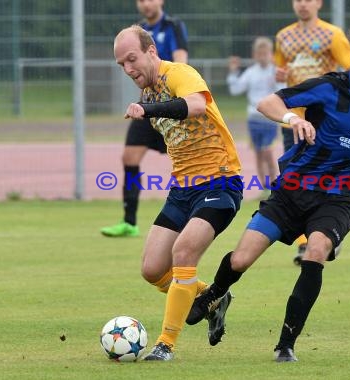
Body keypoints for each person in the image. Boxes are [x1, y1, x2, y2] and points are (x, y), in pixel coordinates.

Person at [186, 18, 350, 363]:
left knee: (316, 251)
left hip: (338, 197)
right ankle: (217, 296)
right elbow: (267, 102)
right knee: (241, 258)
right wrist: (293, 119)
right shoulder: (329, 88)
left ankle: (285, 344)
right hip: (293, 190)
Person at [113, 25, 242, 360]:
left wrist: (149, 110)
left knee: (183, 253)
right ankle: (213, 296)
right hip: (182, 189)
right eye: (121, 65)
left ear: (151, 52)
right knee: (152, 269)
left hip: (220, 181)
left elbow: (196, 105)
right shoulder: (148, 96)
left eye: (132, 59)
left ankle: (165, 344)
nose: (128, 69)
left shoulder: (179, 74)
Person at [274, 0, 350, 262]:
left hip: (324, 120)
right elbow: (280, 72)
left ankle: (325, 235)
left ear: (319, 3)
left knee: (324, 181)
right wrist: (279, 74)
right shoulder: (283, 36)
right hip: (294, 119)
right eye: (298, 0)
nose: (302, 4)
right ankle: (303, 241)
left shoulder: (332, 34)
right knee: (292, 179)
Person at [101, 0, 188, 237]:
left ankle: (192, 215)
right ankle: (129, 221)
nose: (146, 4)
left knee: (184, 160)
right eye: (141, 0)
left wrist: (170, 94)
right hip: (148, 107)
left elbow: (181, 62)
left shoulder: (173, 26)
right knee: (129, 156)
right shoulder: (136, 31)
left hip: (171, 105)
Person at [226, 37, 280, 199]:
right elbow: (236, 90)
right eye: (259, 53)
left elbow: (282, 91)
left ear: (271, 54)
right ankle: (263, 187)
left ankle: (275, 185)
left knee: (268, 151)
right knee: (258, 153)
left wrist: (279, 81)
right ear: (255, 55)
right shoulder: (251, 72)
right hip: (254, 119)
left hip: (269, 118)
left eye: (266, 53)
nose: (263, 56)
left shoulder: (275, 72)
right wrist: (233, 72)